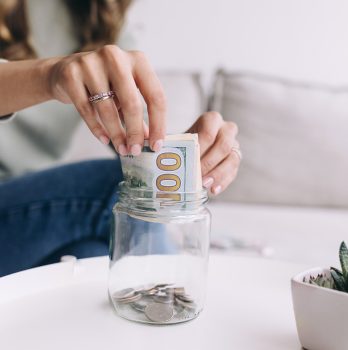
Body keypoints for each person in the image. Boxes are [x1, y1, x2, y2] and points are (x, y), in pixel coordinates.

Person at [0, 0, 241, 276]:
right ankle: (175, 298)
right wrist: (51, 76)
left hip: (27, 220)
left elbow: (138, 140)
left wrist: (190, 150)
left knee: (99, 257)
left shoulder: (95, 12)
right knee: (112, 190)